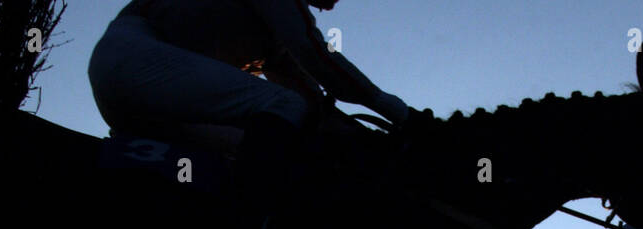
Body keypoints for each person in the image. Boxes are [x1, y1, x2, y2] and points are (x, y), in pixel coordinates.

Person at [88, 0, 411, 162]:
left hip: (142, 102)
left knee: (266, 139)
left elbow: (311, 97)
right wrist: (402, 115)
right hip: (131, 54)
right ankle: (258, 226)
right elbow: (317, 58)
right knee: (283, 107)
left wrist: (355, 135)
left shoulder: (270, 39)